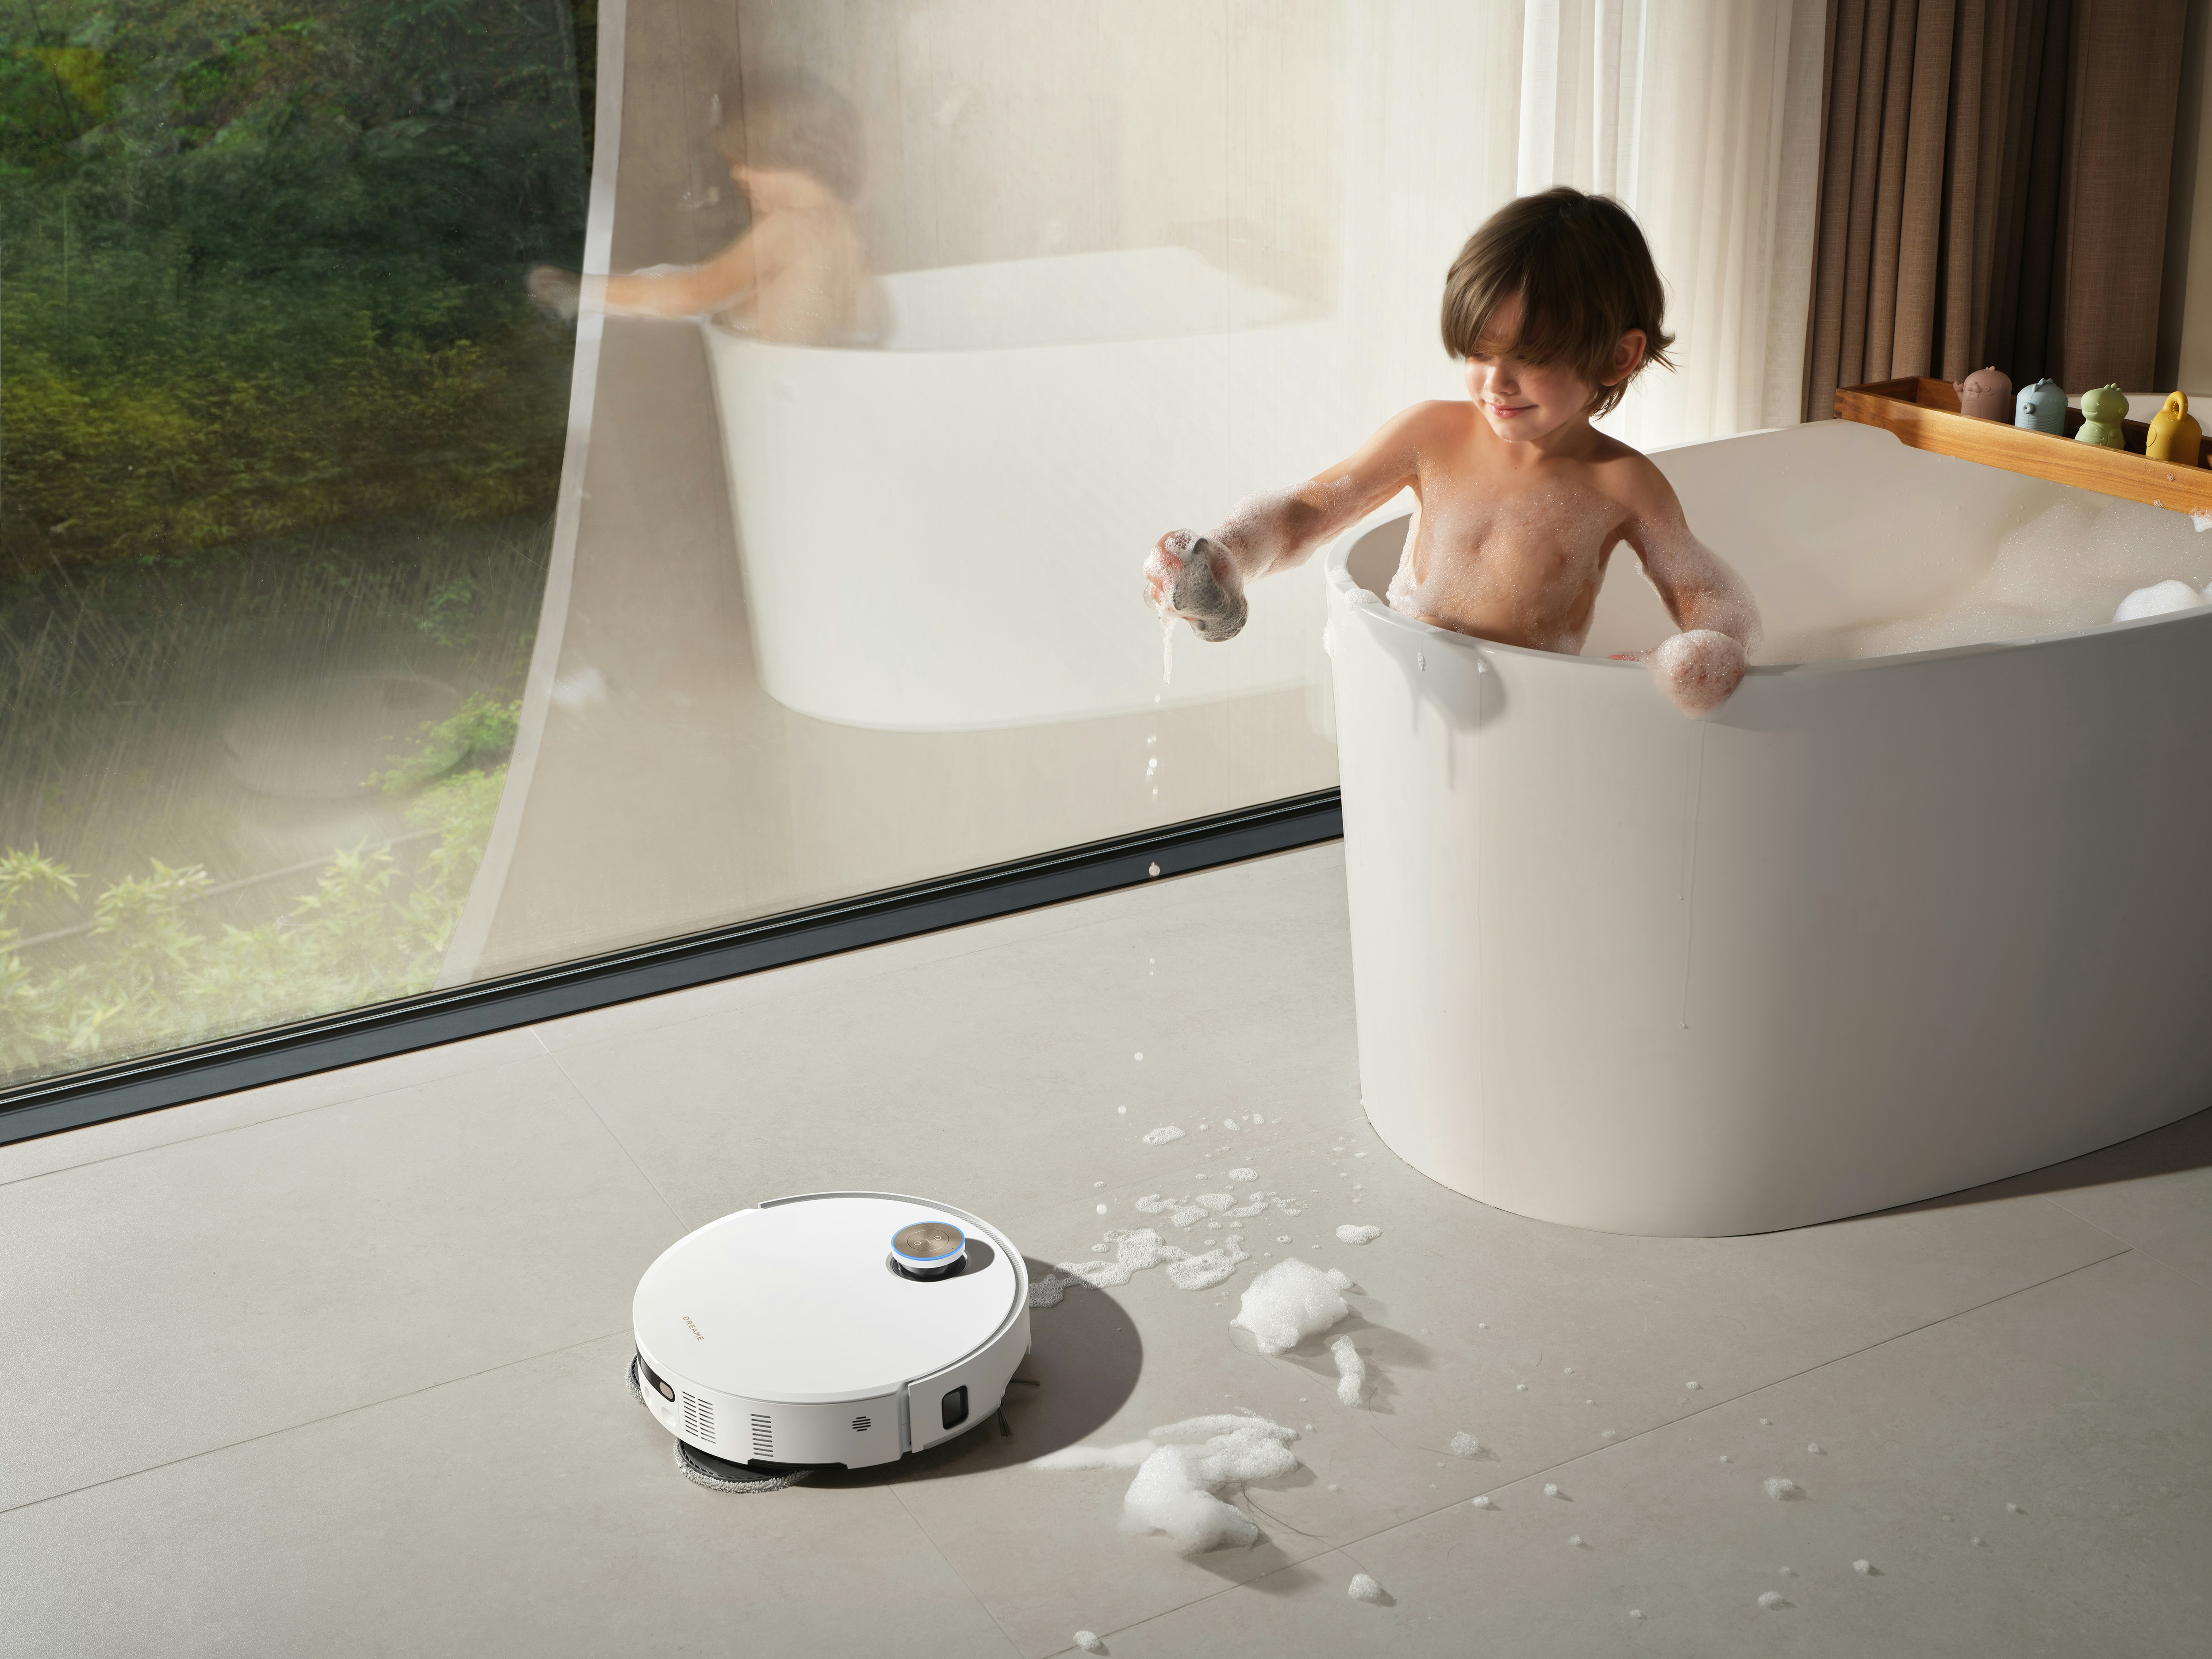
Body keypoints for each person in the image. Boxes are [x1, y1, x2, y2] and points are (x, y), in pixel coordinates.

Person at [1143, 187, 1758, 717]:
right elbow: (1311, 510)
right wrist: (1232, 553)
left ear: (1616, 358)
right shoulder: (1432, 434)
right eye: (1479, 353)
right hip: (1405, 681)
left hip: (1526, 710)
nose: (1497, 382)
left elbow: (1702, 591)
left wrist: (1703, 651)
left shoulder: (1624, 483)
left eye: (1531, 358)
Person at [529, 70, 879, 347]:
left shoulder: (790, 229)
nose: (736, 174)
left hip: (780, 403)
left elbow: (693, 293)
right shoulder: (844, 227)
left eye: (744, 159)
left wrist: (580, 291)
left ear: (787, 151)